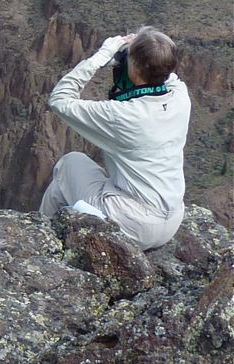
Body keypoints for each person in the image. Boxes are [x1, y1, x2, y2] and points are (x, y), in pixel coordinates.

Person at [40, 26, 189, 250]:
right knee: (93, 181)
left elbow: (60, 100)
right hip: (171, 221)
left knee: (70, 163)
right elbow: (163, 71)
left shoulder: (122, 115)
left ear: (134, 68)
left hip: (133, 225)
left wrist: (103, 55)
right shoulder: (180, 97)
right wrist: (139, 52)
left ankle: (41, 238)